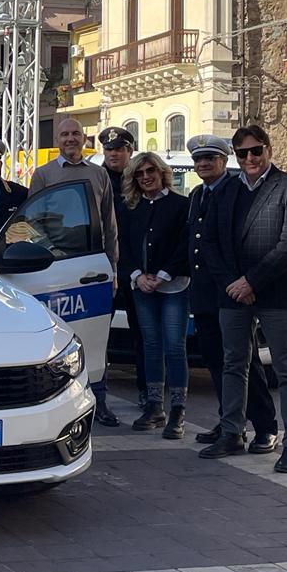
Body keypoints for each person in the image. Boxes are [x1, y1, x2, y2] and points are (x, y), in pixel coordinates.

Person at [198, 125, 287, 473]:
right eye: (242, 153)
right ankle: (232, 432)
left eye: (256, 150)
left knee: (286, 369)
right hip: (233, 294)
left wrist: (251, 281)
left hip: (276, 293)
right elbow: (209, 242)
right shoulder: (226, 190)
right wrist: (232, 284)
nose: (250, 158)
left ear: (268, 150)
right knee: (234, 364)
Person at [186, 134, 278, 453]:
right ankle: (229, 422)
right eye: (198, 160)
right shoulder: (197, 194)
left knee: (244, 362)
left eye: (210, 159)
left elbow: (239, 243)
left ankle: (265, 426)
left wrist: (239, 284)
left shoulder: (235, 190)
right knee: (215, 361)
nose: (203, 164)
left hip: (231, 291)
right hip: (203, 293)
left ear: (224, 161)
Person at [29, 117, 119, 427]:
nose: (70, 138)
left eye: (76, 133)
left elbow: (109, 224)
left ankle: (100, 401)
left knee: (96, 340)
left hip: (91, 270)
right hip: (55, 272)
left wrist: (112, 268)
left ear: (84, 138)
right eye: (65, 134)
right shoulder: (43, 174)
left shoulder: (98, 174)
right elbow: (33, 223)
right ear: (57, 139)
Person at [120, 153, 190, 438]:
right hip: (142, 285)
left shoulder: (180, 204)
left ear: (162, 173)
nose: (146, 177)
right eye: (139, 174)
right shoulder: (130, 207)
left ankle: (178, 409)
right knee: (151, 345)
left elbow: (185, 245)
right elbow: (123, 246)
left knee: (174, 346)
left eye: (150, 171)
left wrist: (162, 274)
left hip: (173, 284)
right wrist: (137, 275)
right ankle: (154, 405)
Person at [98, 126, 146, 407]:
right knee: (98, 337)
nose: (113, 154)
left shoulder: (141, 179)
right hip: (102, 271)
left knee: (145, 336)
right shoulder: (95, 179)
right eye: (109, 149)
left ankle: (148, 394)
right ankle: (98, 398)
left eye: (119, 149)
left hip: (137, 270)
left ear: (129, 151)